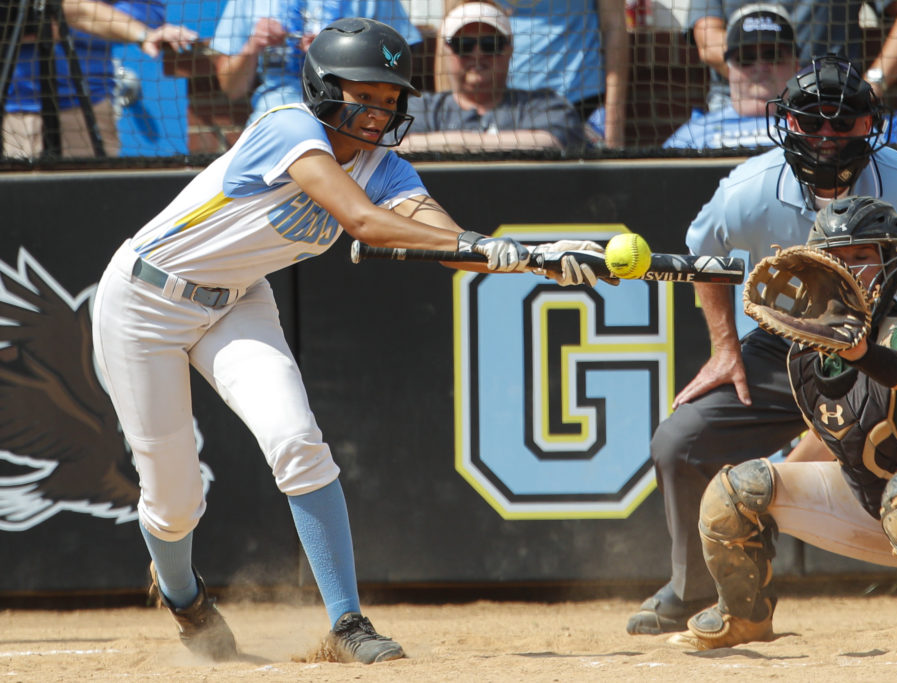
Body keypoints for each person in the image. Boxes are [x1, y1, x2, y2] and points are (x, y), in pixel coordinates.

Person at [91, 17, 601, 664]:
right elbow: (363, 222)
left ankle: (347, 621)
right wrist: (480, 247)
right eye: (365, 94)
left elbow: (447, 242)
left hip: (236, 301)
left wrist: (534, 256)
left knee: (298, 441)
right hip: (143, 302)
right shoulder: (286, 126)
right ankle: (183, 593)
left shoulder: (384, 166)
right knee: (175, 500)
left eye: (389, 100)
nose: (376, 111)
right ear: (325, 87)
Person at [626, 54, 897, 636]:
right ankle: (699, 589)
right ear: (787, 124)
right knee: (681, 441)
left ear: (869, 126)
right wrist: (724, 348)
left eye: (843, 121)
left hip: (894, 334)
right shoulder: (748, 190)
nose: (827, 135)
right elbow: (702, 257)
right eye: (812, 121)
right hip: (793, 338)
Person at [671, 197, 897, 650]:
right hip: (881, 509)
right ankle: (743, 616)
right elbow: (833, 435)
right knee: (736, 488)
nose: (850, 268)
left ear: (891, 262)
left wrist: (862, 353)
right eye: (838, 257)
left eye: (863, 256)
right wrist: (765, 505)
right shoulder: (807, 354)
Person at [2, 0, 196, 159]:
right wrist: (29, 25)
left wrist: (64, 24)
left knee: (89, 199)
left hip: (85, 107)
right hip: (11, 111)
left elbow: (147, 12)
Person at [401, 2, 586, 154]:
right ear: (446, 51)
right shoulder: (421, 107)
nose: (477, 54)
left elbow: (551, 142)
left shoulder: (545, 105)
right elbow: (397, 147)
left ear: (509, 50)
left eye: (490, 44)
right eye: (463, 45)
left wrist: (443, 143)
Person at [440, 0, 627, 149]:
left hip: (578, 101)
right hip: (499, 104)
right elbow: (448, 29)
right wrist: (448, 114)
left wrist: (613, 129)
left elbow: (614, 26)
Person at [688, 0, 897, 111]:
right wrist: (768, 77)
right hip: (741, 109)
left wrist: (874, 82)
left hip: (832, 106)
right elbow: (708, 42)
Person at [211, 0, 421, 124]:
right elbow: (231, 89)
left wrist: (337, 50)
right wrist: (253, 45)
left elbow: (399, 64)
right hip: (275, 114)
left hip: (350, 114)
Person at [663, 4, 799, 151]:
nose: (760, 67)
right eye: (746, 58)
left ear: (796, 65)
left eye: (772, 55)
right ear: (729, 67)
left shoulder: (816, 126)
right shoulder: (692, 136)